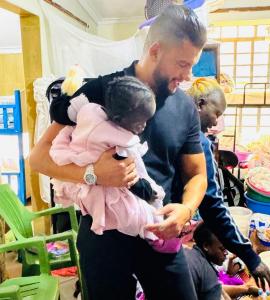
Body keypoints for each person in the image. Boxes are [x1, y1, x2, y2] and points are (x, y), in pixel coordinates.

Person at [30, 4, 207, 300]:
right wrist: (92, 174)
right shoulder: (100, 91)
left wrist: (186, 210)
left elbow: (198, 174)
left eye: (191, 65)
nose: (188, 76)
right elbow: (38, 157)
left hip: (158, 231)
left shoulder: (184, 106)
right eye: (182, 64)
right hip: (103, 235)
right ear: (155, 50)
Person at [49, 76, 181, 253]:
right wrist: (146, 190)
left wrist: (66, 143)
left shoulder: (90, 111)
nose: (143, 126)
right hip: (103, 190)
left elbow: (68, 126)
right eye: (139, 122)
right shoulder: (117, 138)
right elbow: (130, 175)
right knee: (135, 212)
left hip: (84, 172)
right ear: (119, 118)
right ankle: (153, 234)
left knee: (146, 199)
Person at [186, 77, 270, 291]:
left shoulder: (167, 122)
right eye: (216, 113)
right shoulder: (198, 142)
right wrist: (252, 259)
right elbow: (213, 207)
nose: (216, 122)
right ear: (200, 104)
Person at [184, 222, 260, 300]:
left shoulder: (189, 253)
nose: (226, 253)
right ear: (206, 246)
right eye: (222, 249)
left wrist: (246, 289)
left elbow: (219, 289)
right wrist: (246, 289)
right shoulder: (205, 271)